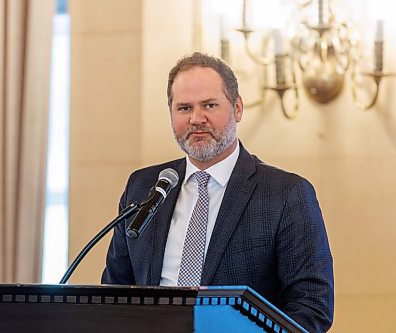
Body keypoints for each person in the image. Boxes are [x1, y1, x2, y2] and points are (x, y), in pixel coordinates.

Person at [102, 52, 334, 332]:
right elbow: (112, 293)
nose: (196, 119)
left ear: (237, 108)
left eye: (209, 105)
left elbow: (312, 307)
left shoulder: (287, 194)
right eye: (184, 108)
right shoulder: (144, 187)